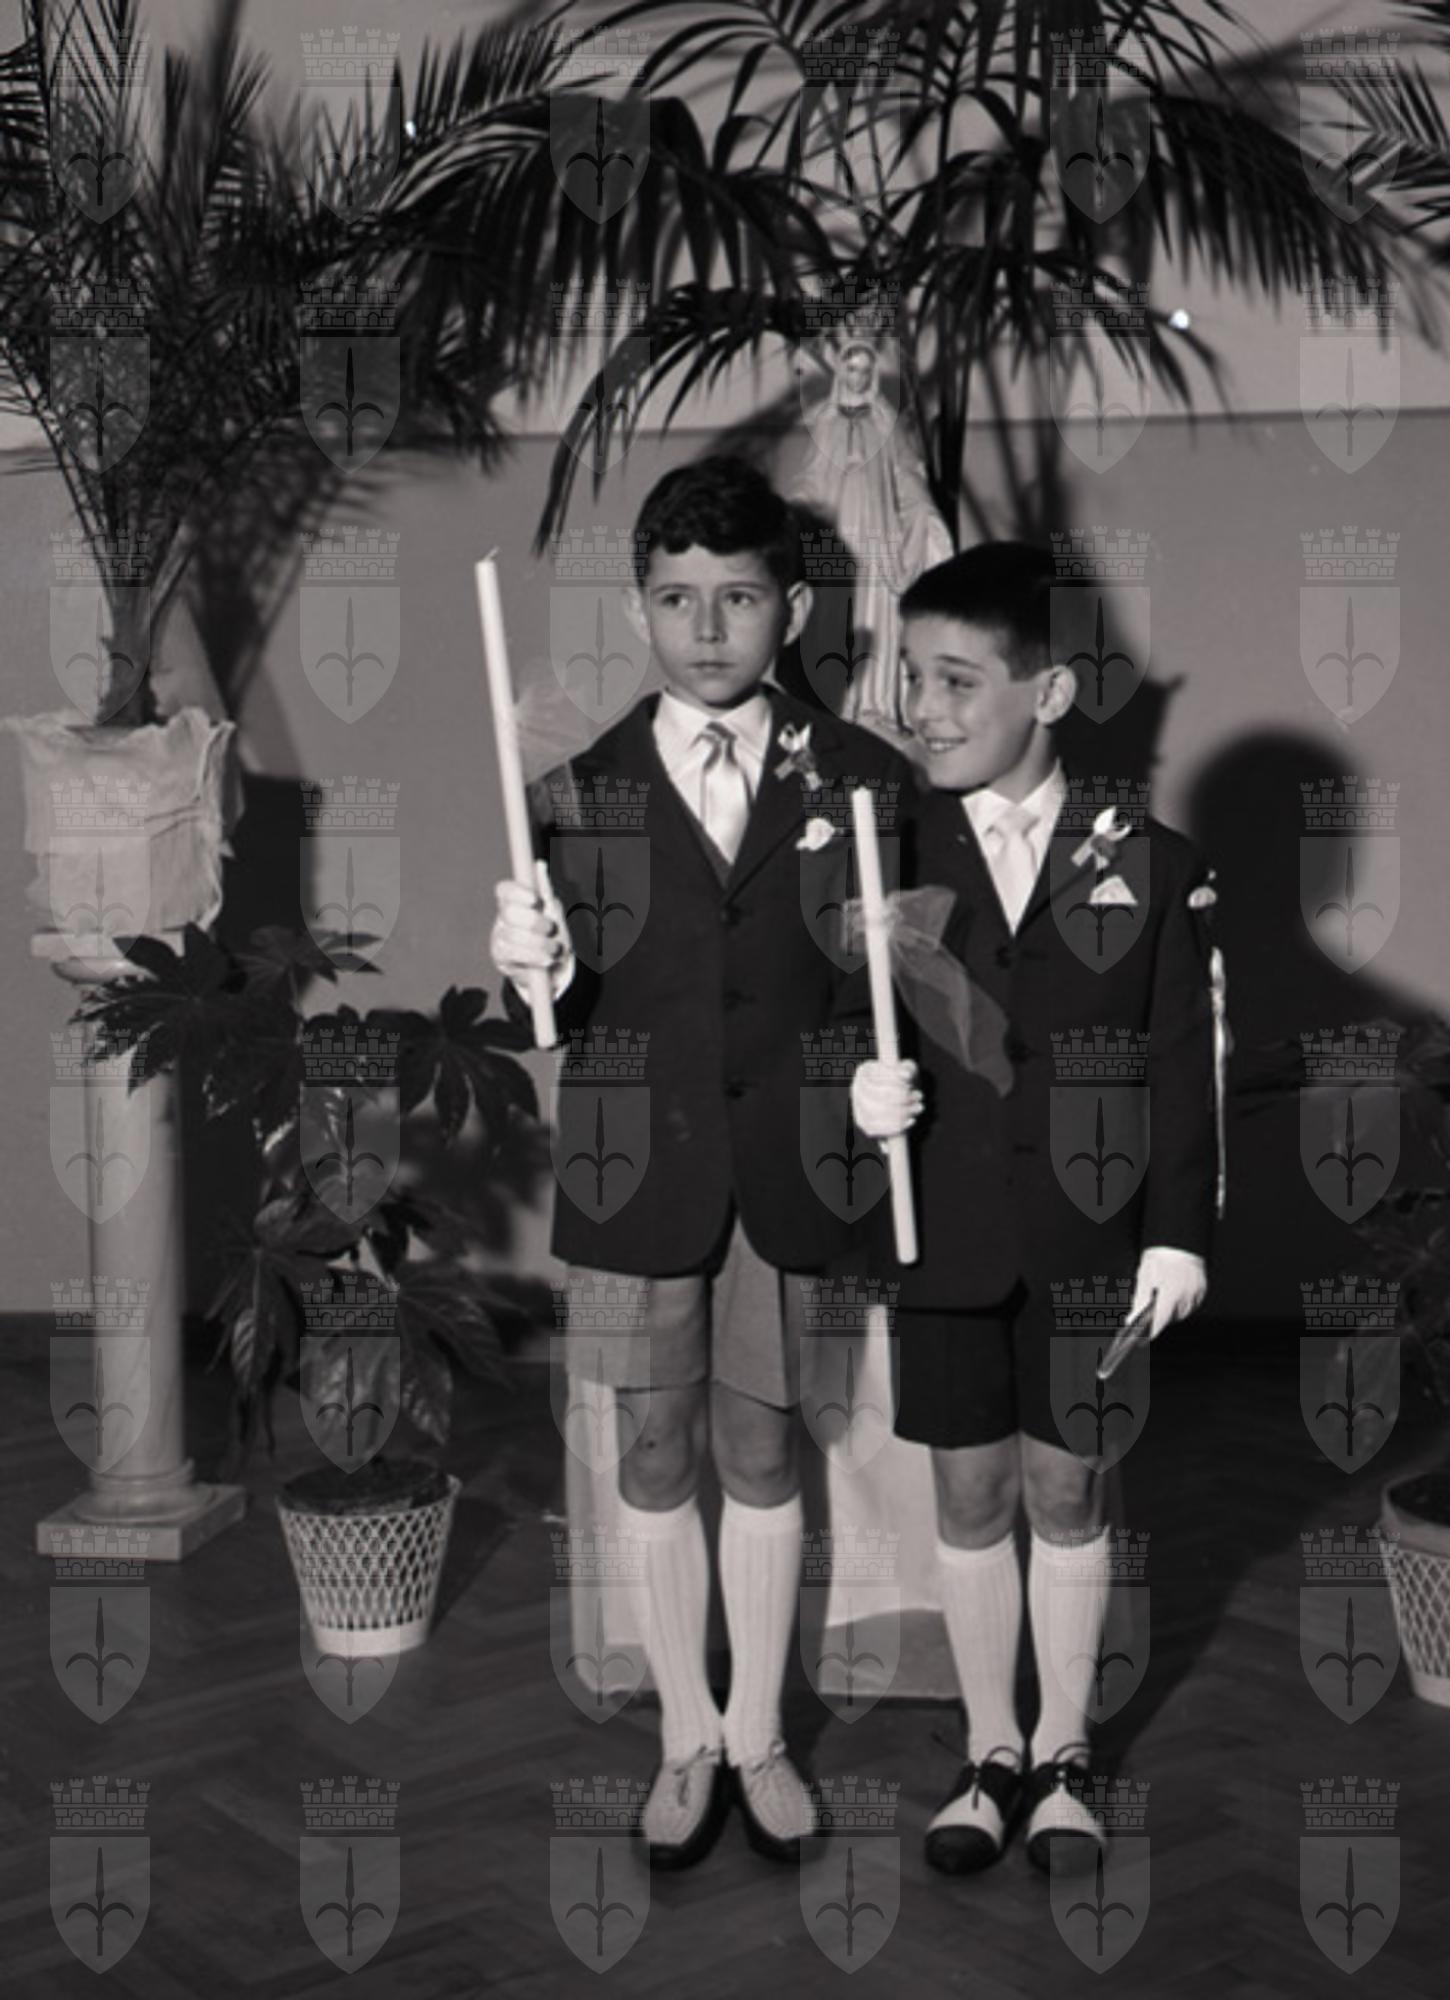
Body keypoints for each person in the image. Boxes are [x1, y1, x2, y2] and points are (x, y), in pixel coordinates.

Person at [489, 455, 915, 1870]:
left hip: (794, 1164)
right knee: (654, 1446)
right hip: (631, 1172)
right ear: (638, 612)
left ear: (791, 607)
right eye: (677, 599)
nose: (708, 627)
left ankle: (758, 1733)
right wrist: (530, 968)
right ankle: (685, 1735)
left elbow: (904, 985)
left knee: (762, 1446)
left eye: (738, 596)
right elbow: (554, 1013)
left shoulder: (865, 780)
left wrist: (886, 1061)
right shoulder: (570, 796)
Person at [847, 541, 1222, 1877]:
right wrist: (851, 1097)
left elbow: (1182, 1058)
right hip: (944, 1228)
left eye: (957, 680)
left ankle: (1063, 1751)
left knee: (1067, 1487)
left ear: (1049, 692)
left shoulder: (1152, 861)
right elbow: (831, 1026)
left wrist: (1177, 1229)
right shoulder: (883, 855)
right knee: (967, 1491)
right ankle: (989, 1747)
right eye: (911, 678)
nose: (923, 708)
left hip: (1088, 1236)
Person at [785, 333, 952, 743]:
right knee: (838, 618)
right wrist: (795, 507)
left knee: (878, 619)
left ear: (872, 374)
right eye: (851, 368)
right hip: (838, 543)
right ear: (841, 372)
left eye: (864, 369)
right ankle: (841, 704)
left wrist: (923, 512)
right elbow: (811, 479)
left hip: (879, 544)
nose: (857, 376)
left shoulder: (885, 424)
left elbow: (907, 476)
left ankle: (876, 706)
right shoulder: (824, 423)